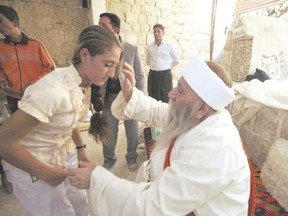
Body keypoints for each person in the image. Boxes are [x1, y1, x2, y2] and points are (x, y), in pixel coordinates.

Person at [68, 56, 251, 215]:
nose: (170, 93)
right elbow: (160, 112)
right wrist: (131, 94)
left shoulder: (216, 148)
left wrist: (96, 178)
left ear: (201, 108)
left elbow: (153, 206)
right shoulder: (200, 116)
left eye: (180, 90)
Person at [0, 25, 122, 216]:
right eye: (107, 64)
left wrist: (81, 149)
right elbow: (3, 142)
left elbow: (69, 119)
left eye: (115, 65)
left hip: (64, 156)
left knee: (81, 203)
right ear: (85, 56)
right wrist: (46, 173)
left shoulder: (83, 84)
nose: (112, 73)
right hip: (34, 165)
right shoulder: (52, 92)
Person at [0, 5, 55, 194]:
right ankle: (27, 173)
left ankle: (44, 168)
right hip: (14, 99)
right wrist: (3, 82)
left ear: (14, 22)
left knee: (39, 133)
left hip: (36, 99)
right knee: (19, 137)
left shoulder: (35, 45)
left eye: (1, 22)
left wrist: (33, 85)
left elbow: (49, 69)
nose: (0, 27)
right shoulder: (0, 47)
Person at [96, 12, 146, 171]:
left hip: (128, 97)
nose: (99, 29)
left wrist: (139, 97)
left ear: (115, 30)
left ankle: (131, 158)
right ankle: (109, 160)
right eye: (99, 25)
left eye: (103, 26)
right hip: (108, 98)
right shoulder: (99, 50)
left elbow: (140, 75)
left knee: (132, 131)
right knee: (108, 132)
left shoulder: (131, 49)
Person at [146, 23, 180, 103]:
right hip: (153, 75)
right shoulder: (150, 46)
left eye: (158, 31)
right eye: (154, 31)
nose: (156, 33)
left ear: (163, 33)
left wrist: (167, 67)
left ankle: (165, 115)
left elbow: (176, 60)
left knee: (166, 97)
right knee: (152, 97)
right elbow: (148, 61)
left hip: (165, 75)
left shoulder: (169, 45)